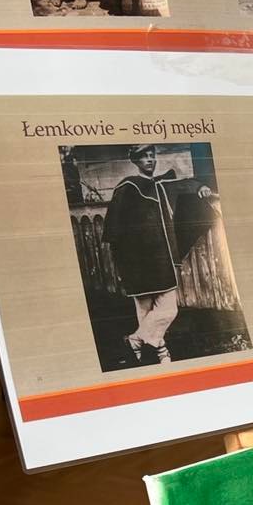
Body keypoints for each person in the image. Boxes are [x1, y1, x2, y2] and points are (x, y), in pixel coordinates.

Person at [102, 146, 216, 365]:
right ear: (135, 161)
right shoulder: (128, 187)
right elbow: (114, 228)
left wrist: (201, 186)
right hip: (138, 261)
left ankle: (135, 341)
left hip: (162, 260)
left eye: (151, 155)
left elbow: (185, 184)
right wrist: (122, 262)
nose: (149, 160)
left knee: (169, 310)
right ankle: (160, 352)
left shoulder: (163, 185)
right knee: (144, 311)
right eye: (143, 157)